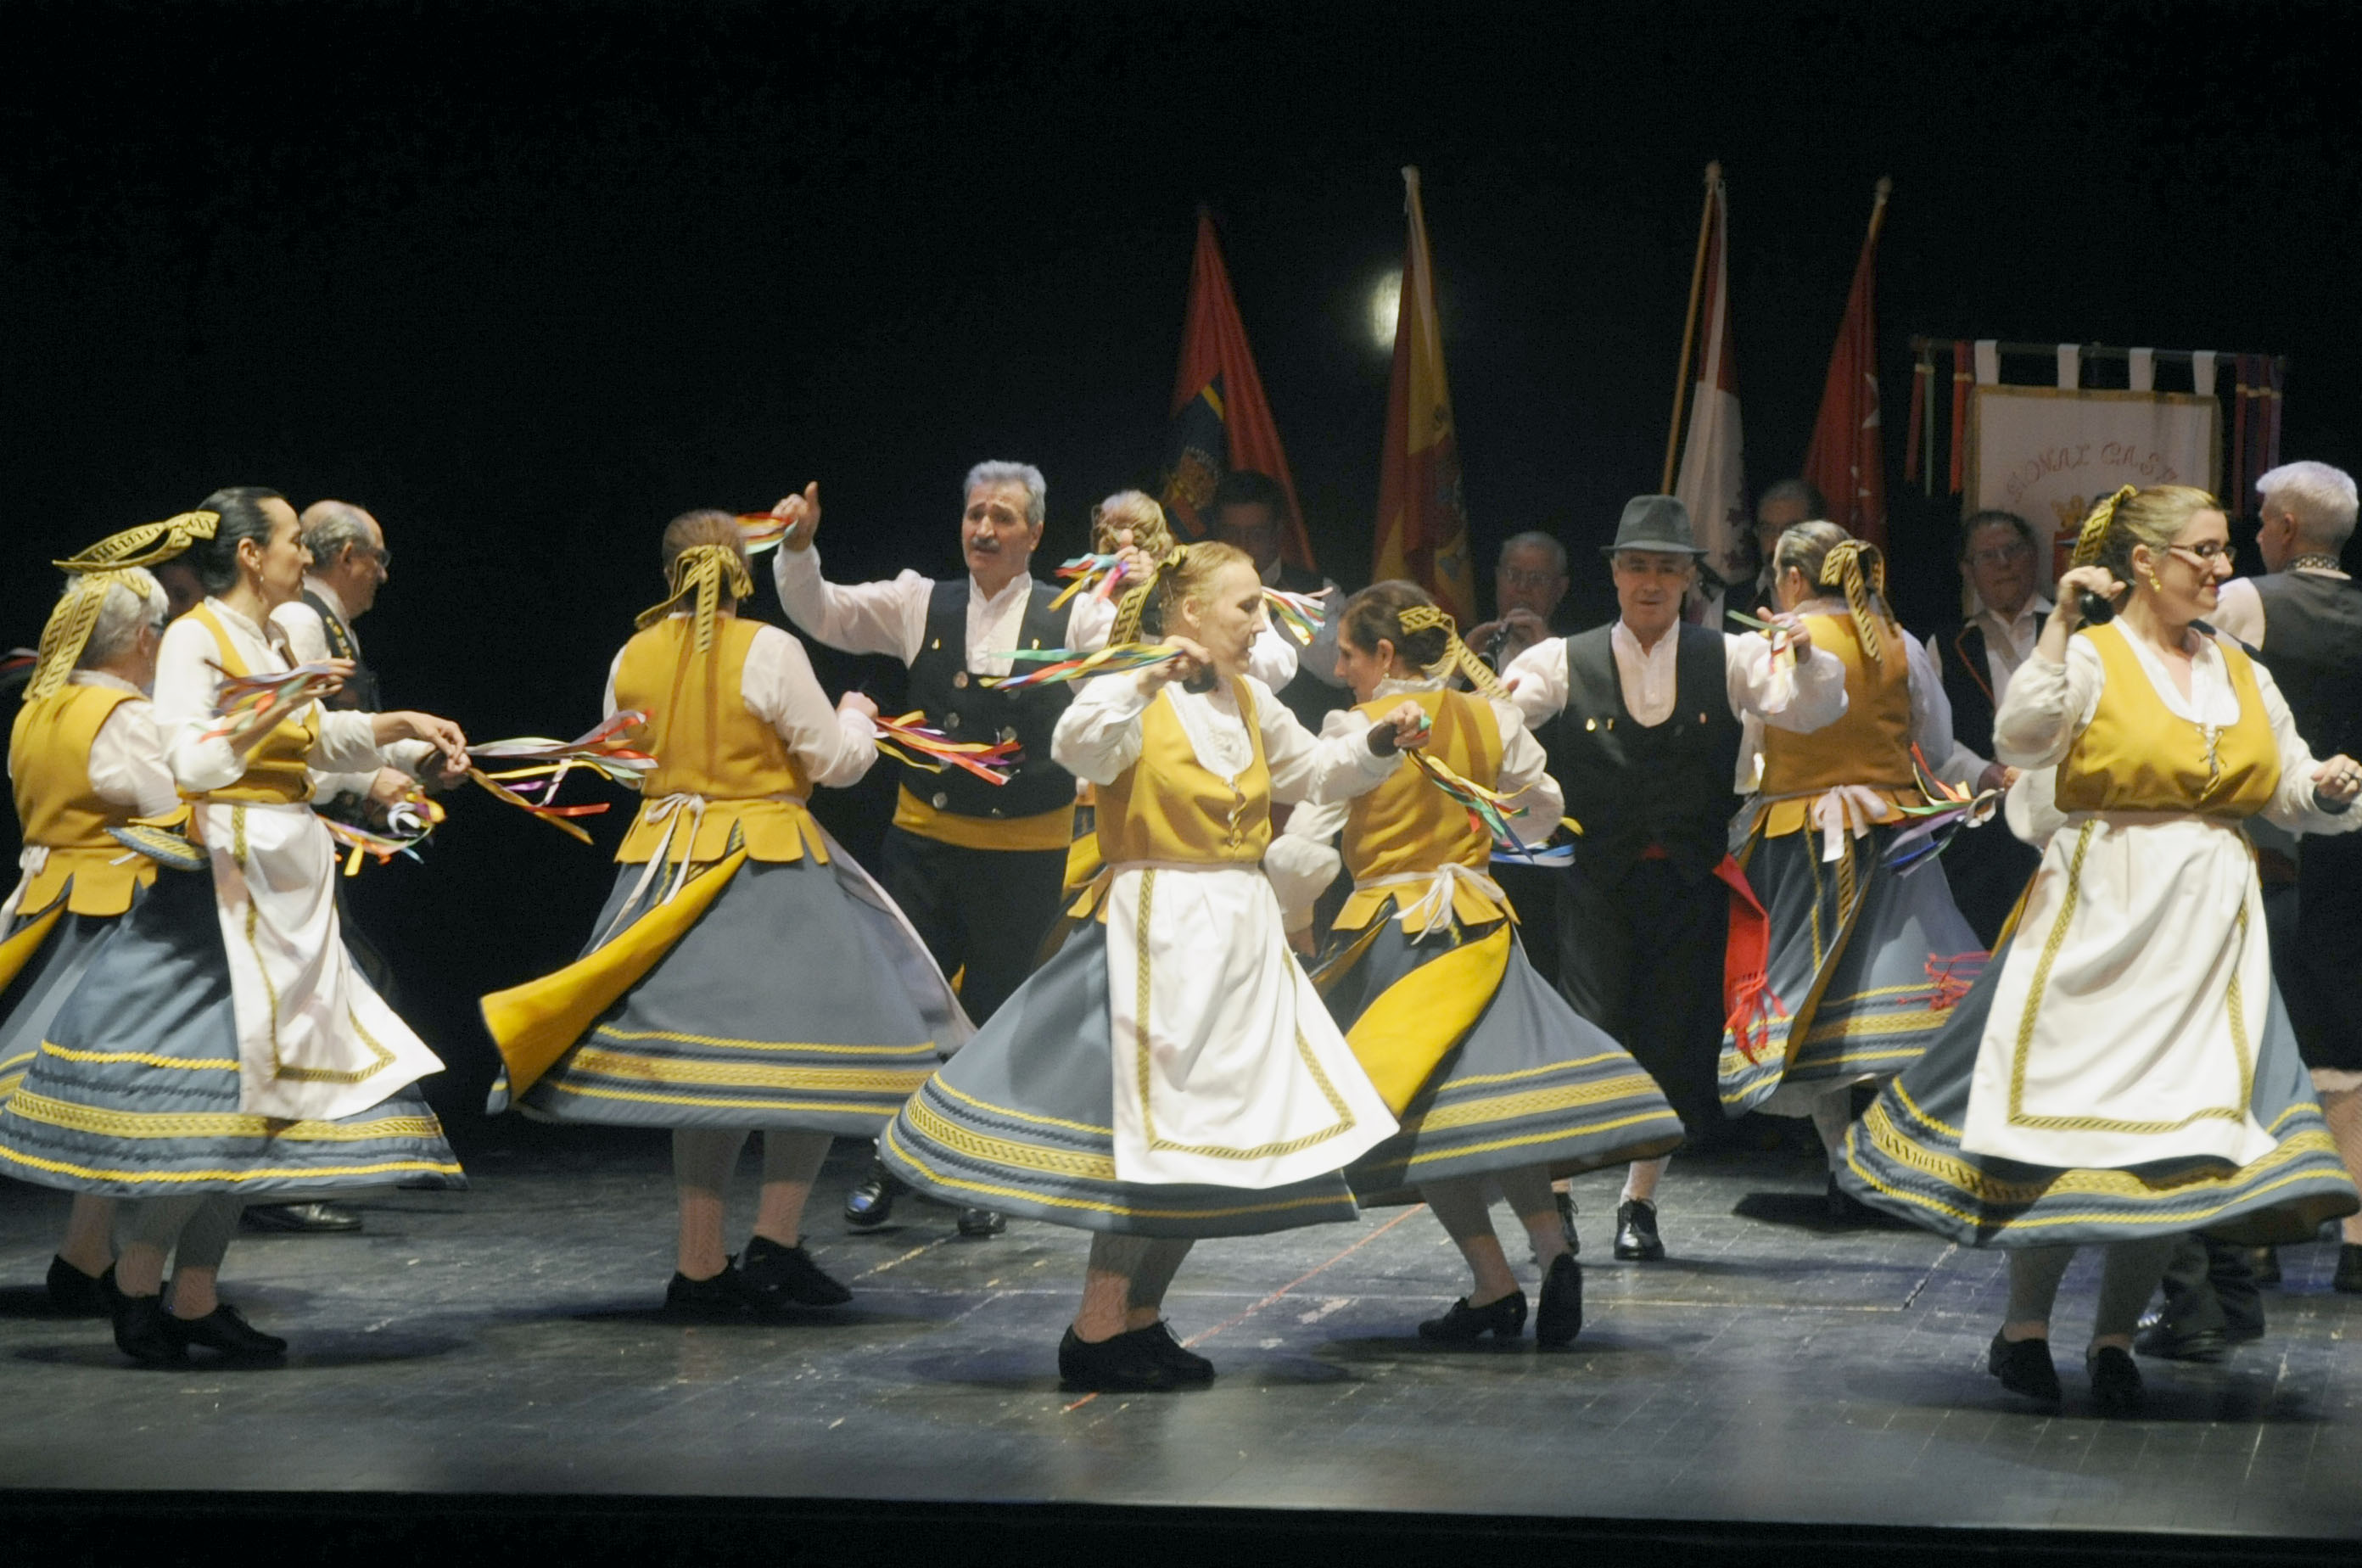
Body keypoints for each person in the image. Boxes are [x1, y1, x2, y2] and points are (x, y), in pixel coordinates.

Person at [1839, 484, 2362, 1414]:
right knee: (2063, 1129)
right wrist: (2057, 631)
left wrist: (2323, 786)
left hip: (2210, 930)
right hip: (2101, 913)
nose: (2224, 566)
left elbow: (2284, 781)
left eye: (2226, 548)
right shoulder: (2091, 656)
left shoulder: (2239, 668)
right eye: (2204, 550)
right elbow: (2020, 735)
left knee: (2178, 1144)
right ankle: (2025, 1329)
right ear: (2146, 563)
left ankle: (2115, 1337)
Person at [878, 542, 1430, 1392]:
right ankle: (1097, 1327)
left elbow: (1319, 773)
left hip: (1240, 932)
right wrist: (1143, 676)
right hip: (1160, 930)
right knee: (1157, 1143)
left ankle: (1138, 1317)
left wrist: (1381, 740)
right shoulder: (1129, 689)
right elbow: (1077, 747)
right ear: (1191, 610)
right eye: (1246, 605)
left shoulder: (1250, 699)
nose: (1261, 622)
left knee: (1212, 1143)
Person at [0, 486, 471, 1365]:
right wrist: (268, 711)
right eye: (294, 539)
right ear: (251, 554)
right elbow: (191, 760)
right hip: (225, 888)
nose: (305, 554)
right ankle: (139, 1286)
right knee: (220, 1110)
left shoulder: (276, 639)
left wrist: (404, 740)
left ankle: (194, 1296)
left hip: (286, 885)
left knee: (260, 1112)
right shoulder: (195, 637)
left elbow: (317, 744)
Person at [480, 511, 966, 1318]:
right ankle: (773, 1241)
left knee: (704, 1071)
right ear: (742, 572)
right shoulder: (767, 650)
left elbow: (621, 762)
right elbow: (835, 764)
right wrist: (857, 717)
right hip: (764, 865)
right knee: (810, 1057)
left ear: (668, 575)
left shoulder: (631, 655)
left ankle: (701, 1265)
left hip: (663, 867)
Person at [1270, 583, 1682, 1343]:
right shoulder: (1491, 717)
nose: (1343, 669)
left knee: (1423, 1123)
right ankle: (1550, 1254)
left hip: (1397, 936)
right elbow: (1543, 807)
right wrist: (1480, 827)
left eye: (1351, 655)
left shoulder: (1358, 730)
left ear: (1385, 655)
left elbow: (1301, 847)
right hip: (1481, 928)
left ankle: (1495, 1281)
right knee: (1497, 1112)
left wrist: (1296, 923)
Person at [1502, 496, 1847, 1261]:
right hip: (1597, 882)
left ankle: (1639, 1202)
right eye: (1637, 566)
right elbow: (1497, 725)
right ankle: (1559, 1196)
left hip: (1689, 884)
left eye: (1666, 567)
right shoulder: (1562, 660)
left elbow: (1813, 711)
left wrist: (1807, 656)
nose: (1651, 582)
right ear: (1615, 574)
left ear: (1690, 578)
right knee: (1586, 1036)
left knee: (1672, 1046)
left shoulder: (1731, 656)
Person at [2139, 460, 2362, 1344]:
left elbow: (2247, 748)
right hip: (2340, 844)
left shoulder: (2238, 616)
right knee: (2340, 1040)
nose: (2229, 558)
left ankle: (2249, 1244)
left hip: (2270, 857)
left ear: (2286, 528)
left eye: (2256, 524)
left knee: (2251, 1044)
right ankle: (2347, 1241)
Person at [1716, 521, 1984, 1213]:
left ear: (1793, 580)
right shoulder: (1899, 642)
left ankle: (1845, 1166)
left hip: (1799, 836)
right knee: (1897, 999)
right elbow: (1935, 743)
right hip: (1892, 836)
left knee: (1813, 1007)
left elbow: (1750, 753)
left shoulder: (1776, 645)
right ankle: (1901, 1159)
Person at [3, 544, 184, 1313]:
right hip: (114, 910)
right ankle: (130, 1270)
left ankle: (84, 1255)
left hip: (43, 905)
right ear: (142, 638)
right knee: (141, 1089)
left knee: (102, 1097)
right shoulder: (126, 717)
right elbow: (171, 816)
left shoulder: (37, 709)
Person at [248, 499, 415, 1235]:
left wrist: (415, 758)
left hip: (307, 838)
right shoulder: (300, 622)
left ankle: (317, 1166)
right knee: (314, 1003)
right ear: (348, 556)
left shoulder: (329, 626)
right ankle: (285, 1178)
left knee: (349, 988)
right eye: (378, 557)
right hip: (281, 840)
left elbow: (342, 735)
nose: (383, 573)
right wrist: (370, 779)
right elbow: (296, 745)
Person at [1925, 510, 2053, 946]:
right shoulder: (1947, 645)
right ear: (1967, 570)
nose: (2003, 564)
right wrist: (1986, 773)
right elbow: (1932, 739)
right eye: (1987, 556)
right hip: (1987, 839)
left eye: (2012, 550)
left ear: (2032, 555)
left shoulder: (2083, 631)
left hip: (2071, 815)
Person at [1209, 468, 1348, 731]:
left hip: (1305, 738)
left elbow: (1340, 671)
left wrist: (1285, 609)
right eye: (1232, 534)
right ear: (1217, 531)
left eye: (1256, 534)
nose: (1243, 545)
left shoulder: (1319, 592)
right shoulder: (1195, 594)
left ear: (1278, 532)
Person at [1464, 531, 1571, 676]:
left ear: (1560, 589)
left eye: (1537, 578)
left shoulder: (1574, 656)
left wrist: (1552, 653)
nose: (1523, 587)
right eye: (1513, 575)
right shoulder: (1464, 645)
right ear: (1498, 578)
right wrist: (1459, 670)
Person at [1747, 479, 1826, 613]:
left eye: (1790, 530)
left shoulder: (1854, 602)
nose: (1777, 542)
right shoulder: (1727, 604)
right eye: (1767, 529)